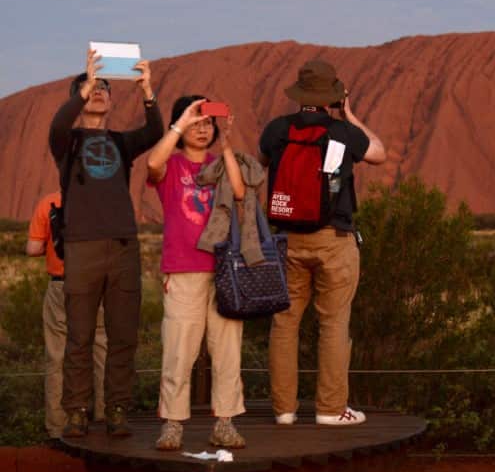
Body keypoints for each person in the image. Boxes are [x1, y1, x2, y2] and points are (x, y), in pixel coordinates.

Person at [259, 59, 386, 426]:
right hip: (333, 240)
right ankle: (331, 410)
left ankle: (283, 410)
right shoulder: (342, 132)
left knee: (284, 324)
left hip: (288, 241)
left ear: (299, 94)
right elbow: (378, 153)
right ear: (333, 95)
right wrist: (349, 114)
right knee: (333, 325)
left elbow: (263, 160)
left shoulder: (277, 130)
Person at [48, 49, 163, 437]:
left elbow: (154, 133)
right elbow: (57, 125)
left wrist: (148, 91)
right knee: (79, 336)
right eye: (91, 88)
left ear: (113, 101)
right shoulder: (68, 142)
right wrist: (82, 87)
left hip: (123, 246)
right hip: (82, 247)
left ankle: (116, 410)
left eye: (104, 88)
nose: (99, 92)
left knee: (123, 336)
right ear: (78, 98)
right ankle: (77, 411)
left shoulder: (120, 142)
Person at [146, 96, 252, 450]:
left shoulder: (218, 163)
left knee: (227, 350)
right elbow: (152, 163)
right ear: (182, 125)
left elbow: (239, 192)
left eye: (208, 122)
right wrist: (181, 124)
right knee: (179, 350)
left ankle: (224, 422)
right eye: (197, 122)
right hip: (183, 269)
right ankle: (173, 424)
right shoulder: (173, 167)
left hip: (223, 271)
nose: (203, 128)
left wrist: (227, 146)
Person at [27, 192, 108, 438]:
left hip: (61, 286)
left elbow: (32, 249)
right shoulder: (101, 201)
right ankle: (107, 419)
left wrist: (50, 249)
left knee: (57, 355)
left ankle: (57, 426)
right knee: (102, 351)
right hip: (96, 286)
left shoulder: (48, 202)